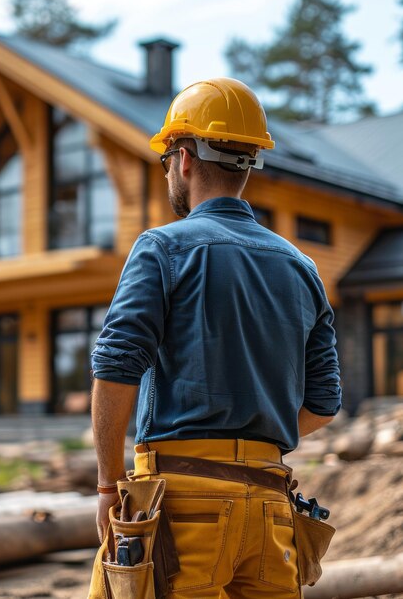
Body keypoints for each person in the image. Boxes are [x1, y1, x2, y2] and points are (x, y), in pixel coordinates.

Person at [88, 77, 341, 598]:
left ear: (183, 157)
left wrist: (108, 486)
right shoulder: (302, 268)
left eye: (166, 163)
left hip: (182, 508)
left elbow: (116, 368)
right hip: (272, 510)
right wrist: (252, 440)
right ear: (249, 163)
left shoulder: (161, 249)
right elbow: (324, 403)